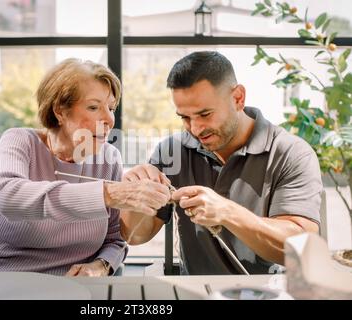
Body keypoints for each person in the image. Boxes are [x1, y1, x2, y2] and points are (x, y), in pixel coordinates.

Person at [0, 58, 170, 276]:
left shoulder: (109, 159)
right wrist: (108, 193)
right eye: (93, 107)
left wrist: (100, 266)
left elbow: (114, 239)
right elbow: (10, 197)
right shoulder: (20, 140)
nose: (109, 119)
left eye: (111, 107)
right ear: (60, 111)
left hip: (73, 289)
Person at [120, 51, 322, 275]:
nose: (195, 129)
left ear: (238, 98)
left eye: (205, 114)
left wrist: (227, 212)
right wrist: (134, 199)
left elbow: (302, 247)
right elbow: (134, 236)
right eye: (184, 117)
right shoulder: (171, 151)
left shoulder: (291, 153)